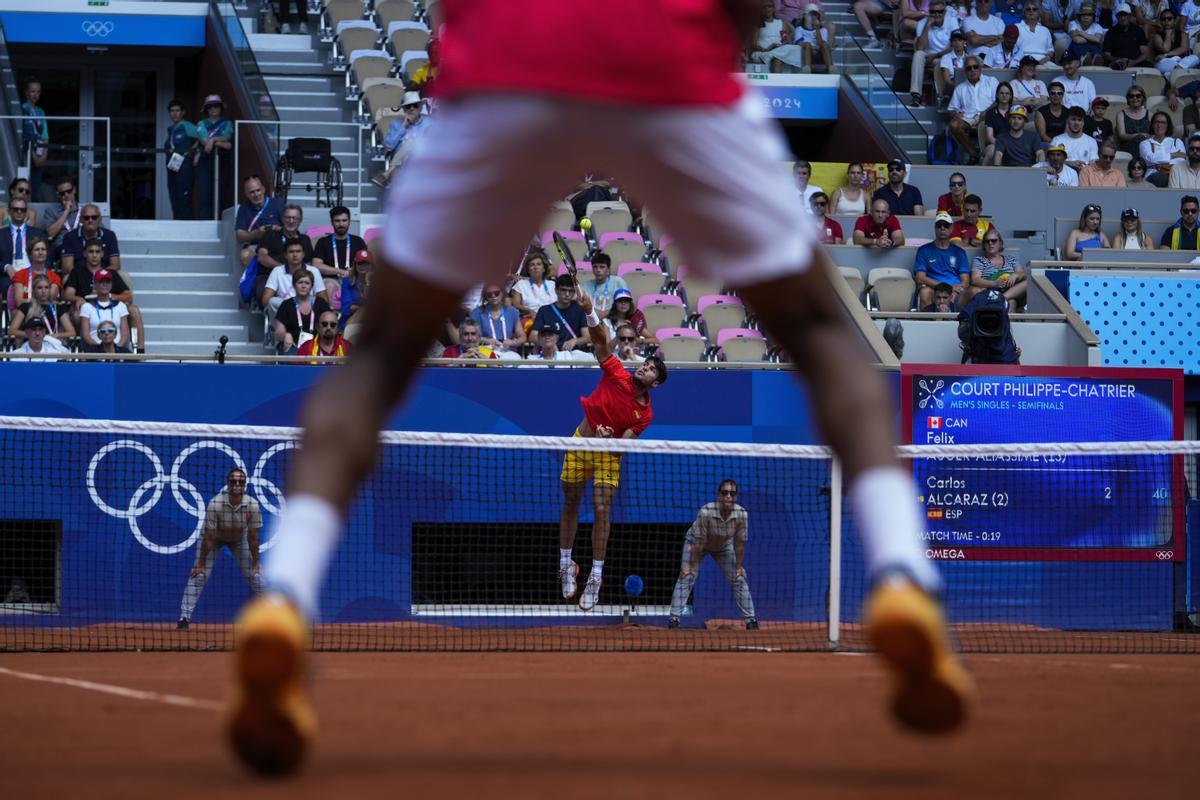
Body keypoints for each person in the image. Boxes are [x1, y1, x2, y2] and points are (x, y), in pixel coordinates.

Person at [228, 2, 974, 775]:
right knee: (823, 335)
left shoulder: (635, 390)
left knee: (378, 358)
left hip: (510, 60)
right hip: (667, 59)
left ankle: (284, 595)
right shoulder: (626, 374)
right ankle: (901, 576)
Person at [558, 284, 666, 613]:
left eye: (650, 369)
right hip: (581, 440)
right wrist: (590, 311)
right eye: (644, 365)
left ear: (655, 383)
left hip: (607, 455)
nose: (644, 368)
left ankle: (595, 576)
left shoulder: (645, 414)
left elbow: (624, 447)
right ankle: (566, 564)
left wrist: (610, 440)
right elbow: (601, 342)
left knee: (603, 510)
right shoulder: (617, 372)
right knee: (571, 501)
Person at [177, 468, 265, 629]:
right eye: (233, 481)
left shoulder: (252, 505)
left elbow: (253, 538)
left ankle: (274, 617)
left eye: (240, 482)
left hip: (239, 539)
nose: (237, 484)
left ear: (245, 485)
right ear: (228, 483)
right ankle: (184, 618)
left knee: (257, 577)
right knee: (199, 575)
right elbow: (209, 537)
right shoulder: (215, 504)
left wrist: (256, 564)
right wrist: (201, 563)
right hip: (214, 538)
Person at [667, 480, 758, 630]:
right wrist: (690, 566)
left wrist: (739, 566)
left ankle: (751, 620)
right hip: (697, 544)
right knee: (687, 576)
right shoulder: (706, 512)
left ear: (736, 497)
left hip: (724, 546)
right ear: (718, 495)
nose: (728, 496)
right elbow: (700, 543)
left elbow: (740, 544)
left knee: (739, 578)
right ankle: (674, 618)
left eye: (732, 493)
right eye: (724, 493)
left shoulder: (741, 514)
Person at [375, 92, 434, 186]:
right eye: (408, 106)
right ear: (404, 109)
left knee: (412, 143)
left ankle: (387, 173)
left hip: (424, 159)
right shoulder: (396, 124)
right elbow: (389, 146)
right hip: (403, 164)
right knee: (409, 143)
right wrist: (403, 126)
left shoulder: (430, 123)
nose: (411, 108)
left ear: (420, 107)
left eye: (415, 105)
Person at [914, 212, 970, 306]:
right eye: (939, 225)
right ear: (935, 228)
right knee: (925, 292)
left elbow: (965, 281)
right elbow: (920, 278)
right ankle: (930, 320)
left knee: (959, 294)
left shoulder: (960, 252)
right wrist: (945, 288)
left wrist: (953, 289)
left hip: (954, 291)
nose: (942, 228)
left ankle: (954, 320)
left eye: (946, 225)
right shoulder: (924, 250)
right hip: (933, 289)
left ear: (951, 228)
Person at [948, 56, 998, 161]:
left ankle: (983, 155)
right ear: (965, 71)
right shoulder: (960, 88)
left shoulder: (991, 81)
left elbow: (999, 101)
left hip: (988, 115)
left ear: (980, 68)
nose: (972, 70)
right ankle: (974, 153)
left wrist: (986, 112)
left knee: (987, 117)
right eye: (969, 68)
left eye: (975, 67)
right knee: (953, 124)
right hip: (968, 117)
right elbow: (951, 108)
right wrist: (954, 114)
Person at [910, 3, 960, 106]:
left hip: (946, 57)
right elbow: (920, 48)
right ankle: (916, 95)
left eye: (940, 12)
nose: (936, 14)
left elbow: (956, 45)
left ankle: (944, 98)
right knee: (918, 54)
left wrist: (936, 55)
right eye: (933, 12)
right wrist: (927, 26)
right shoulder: (921, 23)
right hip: (928, 57)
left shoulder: (952, 21)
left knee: (945, 61)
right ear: (929, 12)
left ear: (945, 12)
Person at [311, 206, 367, 294]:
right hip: (332, 279)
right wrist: (339, 271)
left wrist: (352, 271)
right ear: (332, 222)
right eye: (337, 221)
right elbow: (316, 264)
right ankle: (328, 308)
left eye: (344, 220)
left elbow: (366, 264)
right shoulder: (323, 242)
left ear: (349, 221)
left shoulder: (358, 241)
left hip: (354, 278)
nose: (341, 224)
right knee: (329, 286)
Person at [234, 176, 286, 271]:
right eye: (252, 192)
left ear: (263, 189)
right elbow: (239, 235)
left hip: (277, 245)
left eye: (258, 190)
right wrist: (256, 233)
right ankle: (253, 283)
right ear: (246, 194)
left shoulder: (277, 204)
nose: (256, 194)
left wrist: (276, 229)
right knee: (245, 255)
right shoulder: (244, 208)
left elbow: (289, 226)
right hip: (256, 246)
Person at [195, 95, 233, 220]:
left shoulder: (227, 123)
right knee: (204, 194)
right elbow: (205, 141)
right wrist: (220, 143)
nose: (213, 109)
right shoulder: (201, 123)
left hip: (222, 161)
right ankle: (205, 225)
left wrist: (213, 140)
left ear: (221, 108)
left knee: (221, 194)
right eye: (210, 107)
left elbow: (227, 137)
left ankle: (219, 224)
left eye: (216, 106)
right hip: (205, 162)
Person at [1, 197, 47, 300]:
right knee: (7, 286)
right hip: (9, 275)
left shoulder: (38, 233)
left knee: (42, 285)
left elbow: (47, 257)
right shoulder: (1, 234)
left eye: (22, 209)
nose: (19, 212)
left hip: (34, 272)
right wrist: (6, 266)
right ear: (9, 211)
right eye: (16, 209)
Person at [274, 270, 330, 355]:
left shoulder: (321, 304)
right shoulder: (286, 305)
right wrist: (286, 335)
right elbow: (278, 331)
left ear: (311, 286)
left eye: (307, 283)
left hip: (318, 344)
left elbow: (330, 326)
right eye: (300, 282)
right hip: (293, 345)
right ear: (294, 285)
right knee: (291, 356)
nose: (303, 286)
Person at [8, 274, 75, 345]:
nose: (43, 291)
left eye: (46, 288)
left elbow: (72, 333)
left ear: (50, 289)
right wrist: (32, 335)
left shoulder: (57, 307)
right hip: (30, 346)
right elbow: (11, 331)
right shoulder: (26, 306)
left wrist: (54, 335)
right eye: (39, 288)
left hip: (51, 345)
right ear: (34, 290)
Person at [78, 268, 131, 351]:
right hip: (95, 350)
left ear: (111, 284)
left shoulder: (121, 306)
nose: (104, 284)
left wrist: (115, 350)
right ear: (95, 284)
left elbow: (124, 334)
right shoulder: (86, 306)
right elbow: (86, 335)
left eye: (107, 282)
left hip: (117, 350)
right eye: (101, 282)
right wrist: (101, 350)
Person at [970, 230, 1026, 310]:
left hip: (1012, 290)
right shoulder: (980, 260)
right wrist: (995, 284)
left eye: (994, 241)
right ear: (984, 245)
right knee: (1012, 302)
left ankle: (1000, 298)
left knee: (1027, 282)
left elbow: (1022, 273)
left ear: (1000, 243)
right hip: (991, 292)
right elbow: (975, 280)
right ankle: (1001, 300)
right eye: (987, 241)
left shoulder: (1011, 259)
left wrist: (1015, 275)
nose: (990, 243)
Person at [165, 99, 200, 220]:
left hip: (184, 168)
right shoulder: (171, 129)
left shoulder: (188, 126)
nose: (174, 113)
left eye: (177, 110)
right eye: (172, 111)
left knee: (184, 200)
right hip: (172, 167)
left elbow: (201, 139)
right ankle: (177, 228)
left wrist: (194, 152)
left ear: (183, 112)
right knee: (174, 200)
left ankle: (189, 230)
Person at [59, 205, 121, 273]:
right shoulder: (69, 237)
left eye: (94, 217)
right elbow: (67, 267)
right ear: (81, 220)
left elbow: (115, 265)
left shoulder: (110, 236)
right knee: (67, 278)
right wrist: (85, 277)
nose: (90, 220)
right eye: (86, 218)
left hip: (104, 276)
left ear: (100, 219)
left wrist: (98, 276)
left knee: (124, 276)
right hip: (77, 276)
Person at [532, 280, 588, 351]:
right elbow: (533, 336)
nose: (567, 294)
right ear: (556, 290)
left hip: (575, 352)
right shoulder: (544, 310)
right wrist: (549, 344)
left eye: (571, 291)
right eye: (563, 290)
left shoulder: (580, 309)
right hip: (551, 353)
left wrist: (575, 341)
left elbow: (587, 337)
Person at [470, 282, 525, 352]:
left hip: (507, 350)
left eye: (496, 293)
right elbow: (470, 337)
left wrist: (512, 342)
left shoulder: (512, 311)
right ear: (485, 297)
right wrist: (486, 340)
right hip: (485, 350)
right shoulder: (476, 313)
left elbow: (522, 337)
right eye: (489, 294)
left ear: (502, 293)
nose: (493, 296)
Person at [1140, 110, 1185, 186]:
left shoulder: (1177, 142)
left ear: (1168, 125)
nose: (1159, 125)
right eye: (1156, 122)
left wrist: (1161, 165)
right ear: (1152, 124)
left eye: (1162, 122)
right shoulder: (1145, 143)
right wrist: (1173, 155)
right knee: (1162, 177)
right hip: (1154, 174)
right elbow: (1151, 158)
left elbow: (1181, 160)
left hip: (1175, 173)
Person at [11, 235, 59, 306]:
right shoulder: (19, 275)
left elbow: (49, 300)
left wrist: (28, 301)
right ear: (30, 254)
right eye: (37, 249)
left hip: (45, 313)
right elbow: (19, 302)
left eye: (43, 249)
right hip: (25, 313)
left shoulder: (54, 277)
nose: (40, 252)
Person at [21, 77, 48, 199]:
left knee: (35, 188)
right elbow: (25, 135)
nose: (35, 95)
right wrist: (32, 155)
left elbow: (45, 135)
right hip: (26, 153)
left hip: (39, 152)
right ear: (26, 92)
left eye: (38, 92)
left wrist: (43, 156)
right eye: (32, 91)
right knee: (25, 187)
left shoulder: (40, 112)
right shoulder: (22, 109)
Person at [509, 251, 557, 318]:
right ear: (528, 270)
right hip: (531, 319)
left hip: (553, 318)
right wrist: (529, 310)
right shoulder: (521, 284)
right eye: (532, 265)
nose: (535, 267)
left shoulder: (553, 285)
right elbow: (515, 304)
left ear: (544, 269)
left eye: (538, 264)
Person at [1102, 4, 1150, 70]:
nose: (1123, 18)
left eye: (1125, 15)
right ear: (1116, 17)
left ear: (1130, 16)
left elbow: (1145, 54)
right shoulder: (1111, 32)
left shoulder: (1138, 30)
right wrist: (1119, 60)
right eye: (1120, 15)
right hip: (1116, 64)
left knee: (1149, 66)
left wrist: (1134, 62)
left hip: (1136, 63)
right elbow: (1106, 55)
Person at [42, 177, 81, 255]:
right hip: (62, 246)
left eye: (69, 191)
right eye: (62, 193)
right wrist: (66, 211)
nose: (66, 195)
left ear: (74, 190)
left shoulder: (85, 211)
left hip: (83, 245)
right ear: (58, 195)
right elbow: (50, 233)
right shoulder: (51, 211)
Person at [1150, 9, 1196, 75]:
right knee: (1167, 66)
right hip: (1164, 62)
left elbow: (1184, 49)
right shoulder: (1157, 36)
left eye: (1169, 18)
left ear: (1174, 21)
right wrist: (1168, 34)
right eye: (1163, 19)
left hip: (1180, 61)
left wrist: (1165, 55)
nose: (1166, 21)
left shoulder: (1183, 34)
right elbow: (1166, 49)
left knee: (1195, 57)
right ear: (1161, 22)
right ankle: (1176, 73)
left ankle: (1172, 74)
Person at [981, 80, 1015, 162]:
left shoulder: (1015, 111)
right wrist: (1003, 145)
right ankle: (982, 173)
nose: (1004, 96)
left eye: (1007, 93)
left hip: (1014, 143)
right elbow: (990, 137)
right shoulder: (991, 113)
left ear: (1011, 96)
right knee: (992, 151)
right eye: (1001, 93)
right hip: (994, 143)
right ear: (997, 95)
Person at [338, 249, 372, 327]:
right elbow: (346, 307)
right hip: (349, 319)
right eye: (360, 263)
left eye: (366, 264)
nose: (363, 266)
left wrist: (368, 284)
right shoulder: (347, 281)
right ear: (355, 265)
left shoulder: (377, 282)